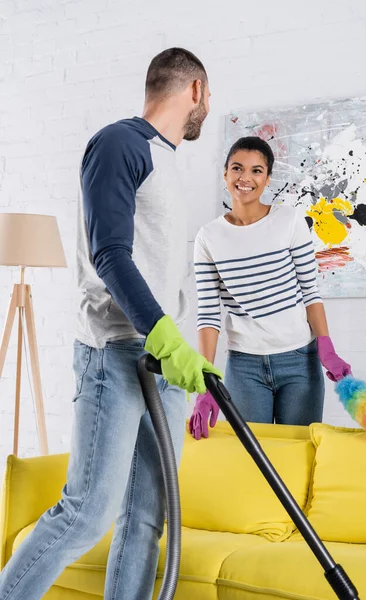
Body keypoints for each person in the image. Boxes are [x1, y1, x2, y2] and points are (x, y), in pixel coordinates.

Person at [0, 47, 221, 600]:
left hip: (163, 363)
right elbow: (111, 254)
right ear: (194, 89)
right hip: (116, 354)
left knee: (146, 517)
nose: (208, 107)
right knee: (86, 513)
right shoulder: (120, 143)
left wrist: (179, 347)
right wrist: (165, 336)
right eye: (208, 96)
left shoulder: (166, 161)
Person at [189, 136, 351, 440]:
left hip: (299, 362)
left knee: (299, 458)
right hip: (243, 366)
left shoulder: (288, 221)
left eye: (256, 170)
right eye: (237, 168)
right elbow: (209, 314)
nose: (245, 178)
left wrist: (326, 347)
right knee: (253, 464)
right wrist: (205, 380)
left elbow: (310, 292)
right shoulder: (208, 238)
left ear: (267, 179)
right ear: (225, 174)